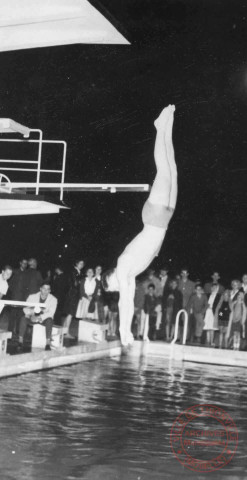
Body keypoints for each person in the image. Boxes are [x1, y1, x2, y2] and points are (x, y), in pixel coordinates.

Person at [103, 105, 177, 346]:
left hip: (153, 218)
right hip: (162, 221)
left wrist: (125, 333)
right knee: (172, 170)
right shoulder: (131, 273)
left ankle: (158, 128)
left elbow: (125, 301)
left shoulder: (123, 267)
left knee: (164, 171)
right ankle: (168, 126)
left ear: (110, 278)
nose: (118, 289)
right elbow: (130, 297)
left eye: (113, 288)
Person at [17, 282, 57, 351]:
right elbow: (25, 308)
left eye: (47, 289)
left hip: (43, 319)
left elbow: (51, 313)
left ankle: (47, 344)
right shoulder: (32, 296)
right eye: (44, 288)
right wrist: (31, 315)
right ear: (40, 289)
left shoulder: (54, 299)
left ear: (50, 291)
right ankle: (20, 341)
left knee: (50, 320)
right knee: (23, 319)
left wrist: (39, 317)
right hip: (32, 317)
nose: (45, 291)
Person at [63, 259, 85, 338]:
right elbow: (75, 283)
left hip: (74, 295)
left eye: (83, 264)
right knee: (71, 313)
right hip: (72, 295)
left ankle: (64, 331)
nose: (82, 265)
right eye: (80, 263)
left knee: (70, 314)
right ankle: (66, 333)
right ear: (76, 263)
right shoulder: (74, 272)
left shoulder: (79, 272)